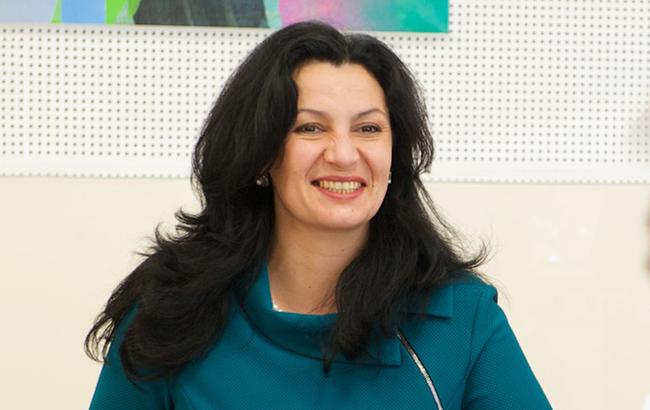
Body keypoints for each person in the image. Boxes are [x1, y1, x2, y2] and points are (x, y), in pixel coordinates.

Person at [86, 21, 551, 409]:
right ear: (262, 152)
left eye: (368, 128)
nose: (344, 154)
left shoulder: (463, 319)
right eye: (310, 127)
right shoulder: (171, 308)